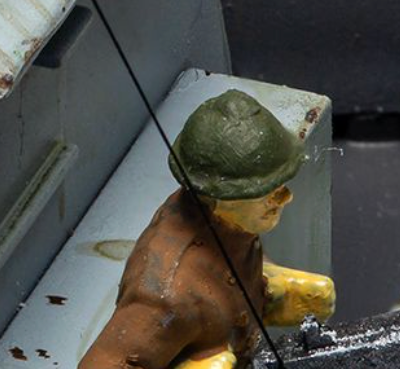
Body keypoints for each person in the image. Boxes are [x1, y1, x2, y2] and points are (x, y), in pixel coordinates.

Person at [80, 90, 337, 369]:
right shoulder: (166, 296)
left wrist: (266, 292)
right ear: (220, 195)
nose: (286, 198)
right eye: (267, 192)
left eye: (281, 186)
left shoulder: (232, 224)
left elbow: (224, 278)